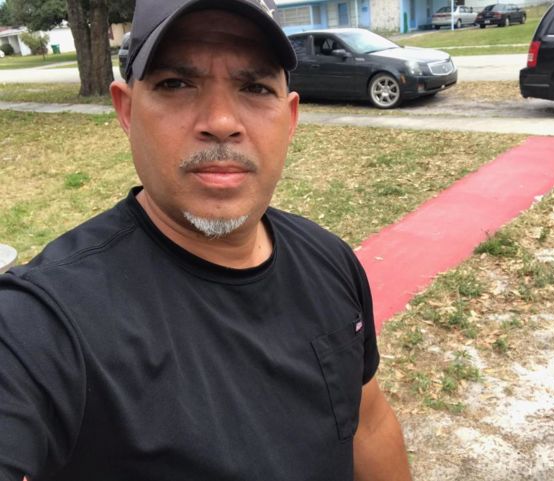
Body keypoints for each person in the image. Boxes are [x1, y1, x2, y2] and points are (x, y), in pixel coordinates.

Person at [0, 0, 412, 479]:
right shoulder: (42, 322)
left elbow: (368, 424)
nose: (220, 121)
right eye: (176, 84)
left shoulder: (330, 260)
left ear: (290, 118)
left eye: (254, 87)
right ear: (126, 110)